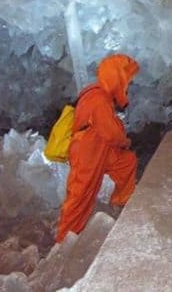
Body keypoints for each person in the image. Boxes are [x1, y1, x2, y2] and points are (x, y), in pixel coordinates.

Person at [56, 53, 140, 242]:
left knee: (126, 162)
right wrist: (125, 141)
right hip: (88, 150)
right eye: (126, 79)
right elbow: (111, 132)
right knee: (81, 194)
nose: (128, 84)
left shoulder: (99, 94)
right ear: (117, 77)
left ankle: (121, 202)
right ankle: (65, 239)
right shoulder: (98, 98)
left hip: (100, 147)